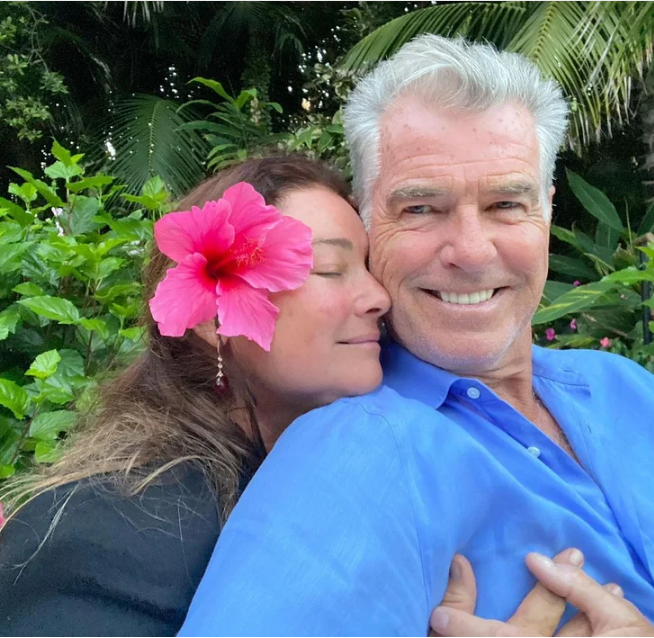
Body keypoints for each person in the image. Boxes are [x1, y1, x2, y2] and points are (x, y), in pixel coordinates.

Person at [179, 36, 654, 636]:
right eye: (420, 209)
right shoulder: (358, 450)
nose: (471, 252)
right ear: (365, 220)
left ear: (548, 211)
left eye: (507, 204)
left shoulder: (625, 386)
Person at [0, 154, 392, 636]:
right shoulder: (106, 534)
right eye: (330, 268)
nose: (380, 297)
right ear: (212, 317)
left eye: (370, 266)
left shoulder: (345, 478)